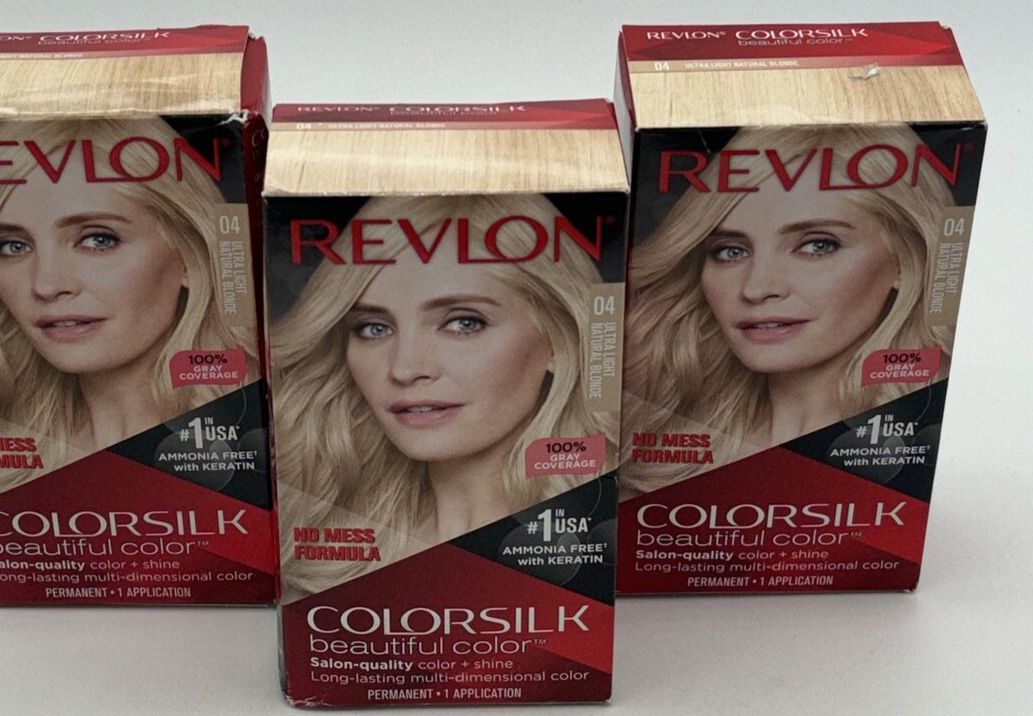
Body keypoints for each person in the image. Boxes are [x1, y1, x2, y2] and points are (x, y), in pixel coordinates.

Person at [270, 194, 617, 593]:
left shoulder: (596, 546)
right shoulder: (321, 552)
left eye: (464, 323)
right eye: (373, 328)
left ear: (560, 339)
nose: (404, 369)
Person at [0, 117, 258, 505]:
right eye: (13, 245)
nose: (46, 285)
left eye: (98, 239)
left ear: (190, 257)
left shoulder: (259, 451)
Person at [621, 124, 957, 494]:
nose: (756, 288)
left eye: (817, 246)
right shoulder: (654, 459)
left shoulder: (912, 460)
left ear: (906, 261)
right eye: (730, 251)